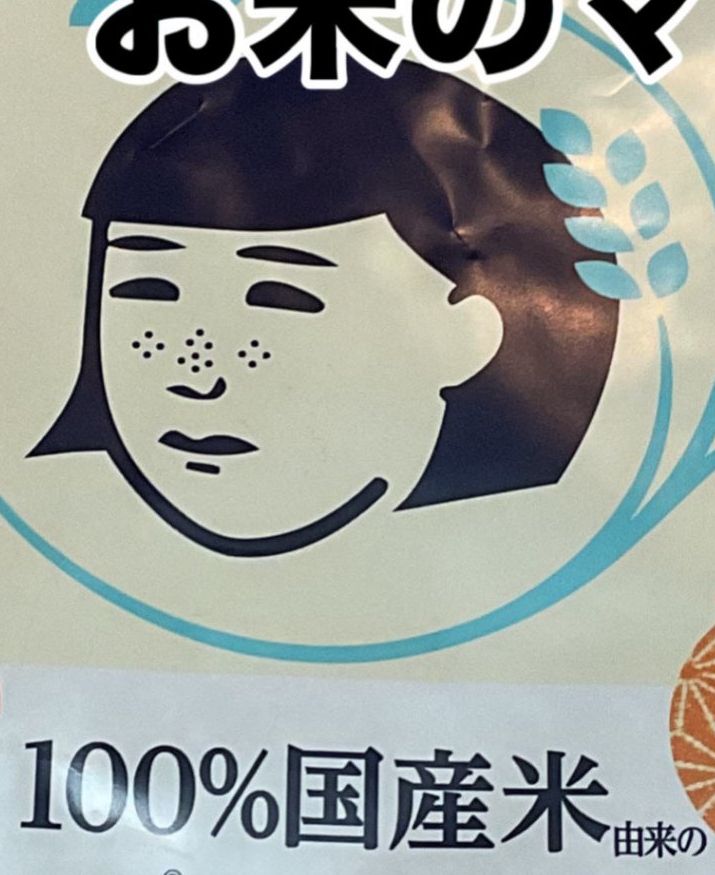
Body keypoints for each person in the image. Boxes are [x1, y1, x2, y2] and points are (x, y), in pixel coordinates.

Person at [32, 59, 621, 558]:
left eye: (278, 299)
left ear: (465, 335)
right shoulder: (41, 546)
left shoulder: (535, 551)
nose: (200, 376)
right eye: (147, 290)